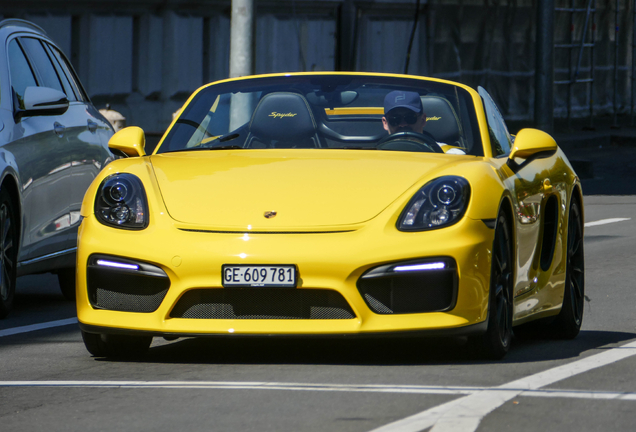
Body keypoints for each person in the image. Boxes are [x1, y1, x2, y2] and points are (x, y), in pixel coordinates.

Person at [381, 90, 465, 154]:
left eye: (410, 118)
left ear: (423, 119)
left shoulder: (451, 155)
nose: (403, 124)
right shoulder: (374, 157)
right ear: (385, 123)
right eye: (395, 119)